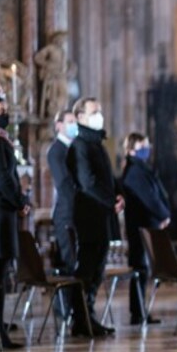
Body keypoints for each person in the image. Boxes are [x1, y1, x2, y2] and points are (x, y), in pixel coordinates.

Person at [66, 97, 121, 337]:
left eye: (99, 110)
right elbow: (88, 183)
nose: (99, 114)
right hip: (89, 214)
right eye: (94, 111)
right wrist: (110, 200)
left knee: (98, 268)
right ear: (79, 117)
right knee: (87, 269)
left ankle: (89, 316)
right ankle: (80, 318)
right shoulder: (80, 145)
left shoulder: (96, 143)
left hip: (101, 214)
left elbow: (107, 177)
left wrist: (118, 195)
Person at [121, 132, 170, 325]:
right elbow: (148, 197)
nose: (146, 151)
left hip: (144, 224)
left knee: (142, 269)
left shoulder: (139, 168)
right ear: (132, 150)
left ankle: (140, 311)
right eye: (142, 147)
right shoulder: (134, 171)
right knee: (140, 268)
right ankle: (138, 312)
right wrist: (163, 214)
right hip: (140, 226)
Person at [0, 87, 31, 349]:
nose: (5, 114)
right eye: (1, 110)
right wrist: (21, 202)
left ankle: (1, 330)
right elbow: (4, 180)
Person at [47, 110, 79, 318]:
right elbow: (65, 184)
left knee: (76, 262)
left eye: (75, 122)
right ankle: (65, 310)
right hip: (66, 214)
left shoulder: (73, 148)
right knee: (68, 262)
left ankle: (76, 308)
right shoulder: (56, 151)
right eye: (69, 122)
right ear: (58, 125)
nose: (73, 125)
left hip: (75, 213)